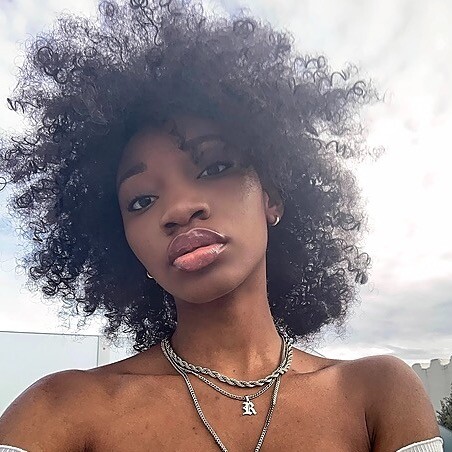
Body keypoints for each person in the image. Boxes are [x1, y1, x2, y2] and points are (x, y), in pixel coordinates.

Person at [0, 0, 443, 450]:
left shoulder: (376, 394)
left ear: (271, 196)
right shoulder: (59, 411)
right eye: (142, 200)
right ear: (125, 244)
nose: (179, 209)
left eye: (214, 168)